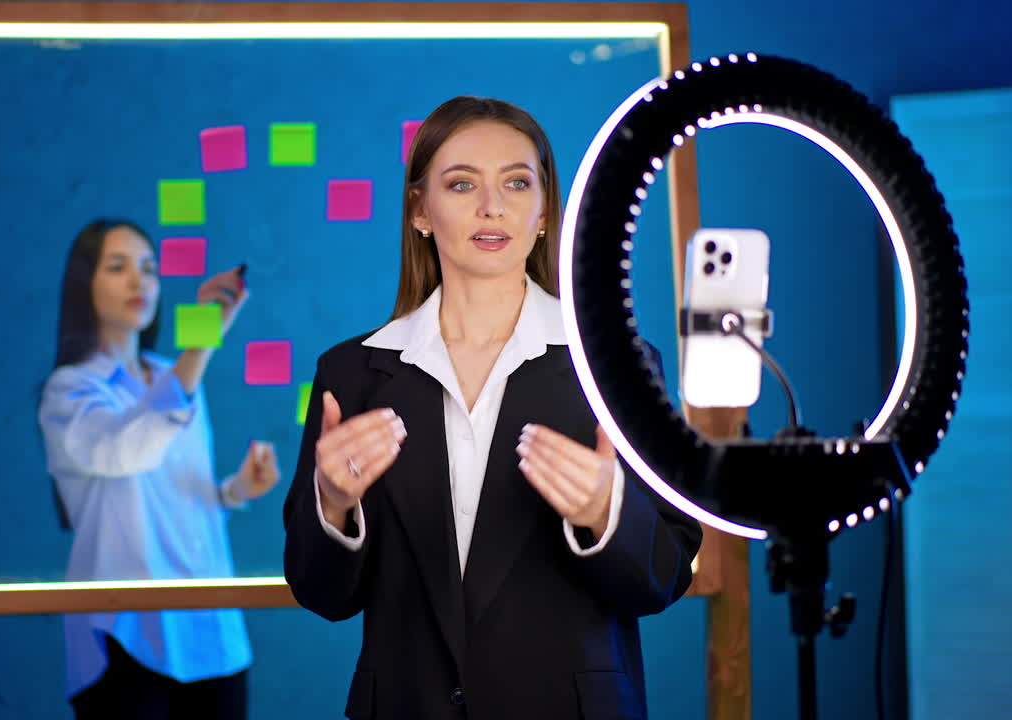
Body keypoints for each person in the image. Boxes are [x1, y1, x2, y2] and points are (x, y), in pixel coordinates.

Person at [283, 97, 702, 719]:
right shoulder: (350, 373)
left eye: (516, 182)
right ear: (420, 210)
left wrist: (604, 515)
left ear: (543, 212)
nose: (492, 207)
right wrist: (335, 507)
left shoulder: (619, 366)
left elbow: (665, 576)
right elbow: (321, 593)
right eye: (461, 184)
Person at [39, 219, 280, 720]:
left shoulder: (176, 374)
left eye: (149, 269)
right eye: (117, 267)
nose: (139, 281)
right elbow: (127, 450)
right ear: (85, 284)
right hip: (128, 635)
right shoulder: (69, 391)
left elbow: (175, 500)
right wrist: (203, 341)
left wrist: (234, 491)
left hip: (213, 632)